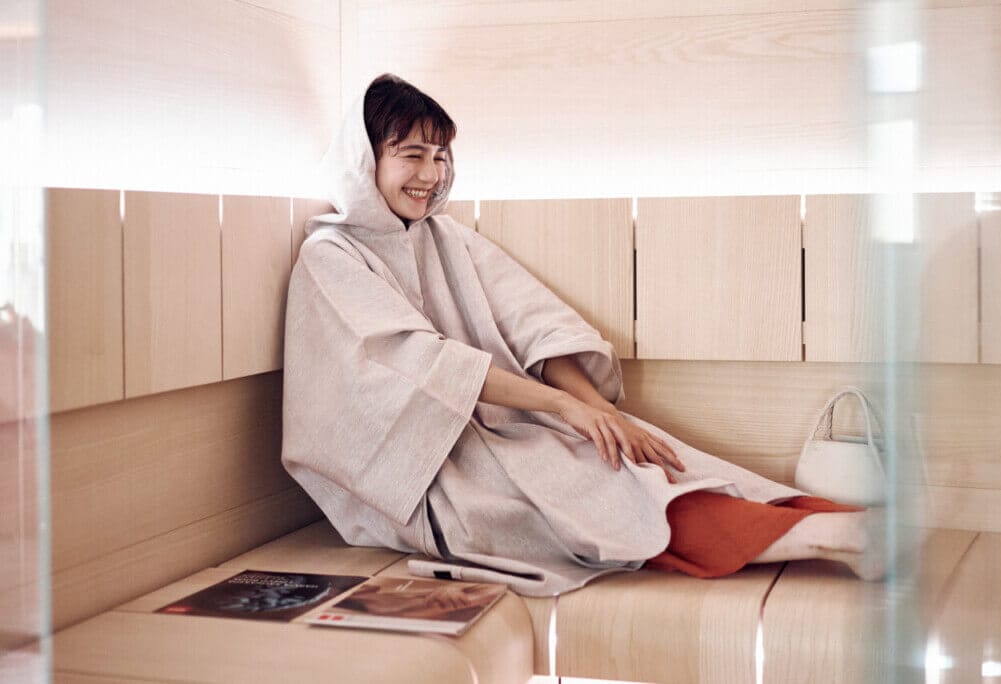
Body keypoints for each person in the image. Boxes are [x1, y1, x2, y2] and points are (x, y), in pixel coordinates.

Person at [281, 74, 882, 597]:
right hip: (421, 473)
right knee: (590, 493)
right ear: (366, 161)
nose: (431, 175)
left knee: (644, 457)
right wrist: (565, 409)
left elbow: (535, 323)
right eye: (411, 155)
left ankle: (833, 523)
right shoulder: (328, 255)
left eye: (440, 157)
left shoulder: (444, 237)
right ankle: (829, 538)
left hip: (509, 424)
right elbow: (420, 363)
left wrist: (599, 413)